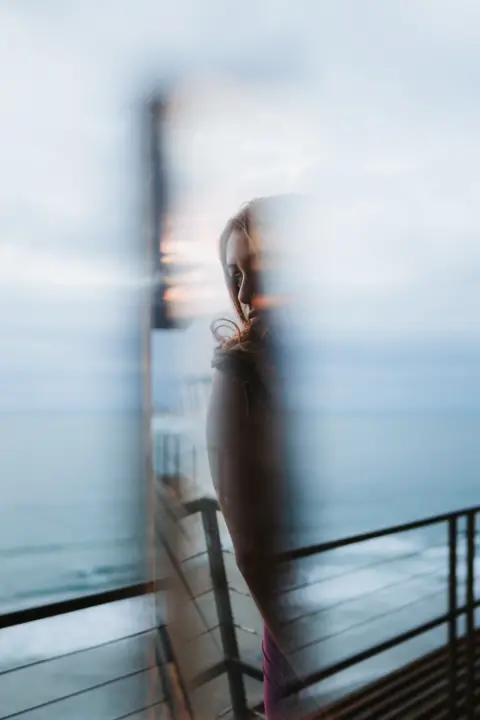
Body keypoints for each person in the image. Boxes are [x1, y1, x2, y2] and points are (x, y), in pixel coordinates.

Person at [206, 198, 300, 719]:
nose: (242, 294)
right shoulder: (239, 376)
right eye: (235, 274)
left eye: (258, 270)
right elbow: (250, 553)